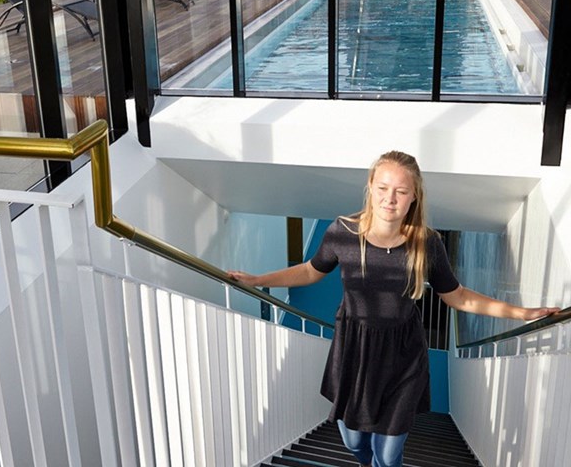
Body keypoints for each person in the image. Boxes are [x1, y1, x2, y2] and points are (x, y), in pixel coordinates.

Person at [227, 151, 559, 467]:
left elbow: (458, 296)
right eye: (383, 188)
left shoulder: (427, 244)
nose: (390, 198)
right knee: (354, 441)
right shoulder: (342, 232)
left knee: (389, 455)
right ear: (370, 187)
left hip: (404, 354)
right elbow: (310, 270)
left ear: (414, 197)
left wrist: (522, 313)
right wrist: (259, 279)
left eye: (401, 191)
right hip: (354, 351)